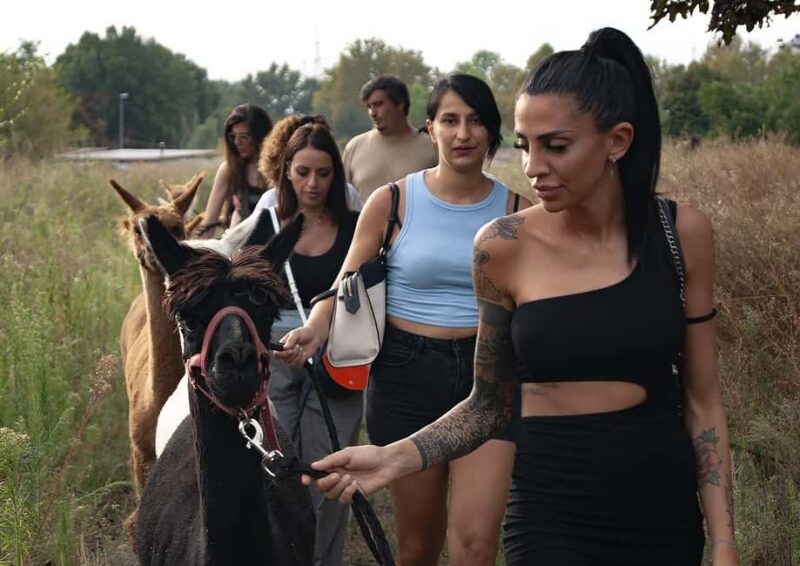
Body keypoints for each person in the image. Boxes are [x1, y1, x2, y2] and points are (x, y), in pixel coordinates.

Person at [297, 28, 739, 566]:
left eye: (555, 146)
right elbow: (489, 404)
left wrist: (722, 542)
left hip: (658, 505)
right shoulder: (502, 247)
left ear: (617, 141)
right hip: (549, 508)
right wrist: (394, 458)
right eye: (526, 147)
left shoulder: (680, 235)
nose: (532, 168)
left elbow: (702, 403)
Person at [279, 75, 531, 566]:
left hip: (490, 379)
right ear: (429, 130)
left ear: (492, 132)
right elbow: (345, 281)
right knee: (418, 547)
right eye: (451, 120)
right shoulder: (392, 202)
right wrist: (316, 326)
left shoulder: (520, 212)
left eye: (476, 121)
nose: (464, 134)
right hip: (405, 376)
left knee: (476, 546)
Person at [253, 114, 363, 566]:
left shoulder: (357, 226)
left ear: (336, 174)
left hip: (338, 363)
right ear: (286, 173)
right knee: (273, 473)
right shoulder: (263, 226)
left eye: (323, 172)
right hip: (274, 363)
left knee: (327, 475)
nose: (313, 183)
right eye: (302, 172)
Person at [342, 75, 438, 200]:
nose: (372, 113)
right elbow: (342, 200)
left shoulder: (432, 147)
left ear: (400, 104)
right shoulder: (354, 147)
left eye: (378, 105)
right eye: (369, 107)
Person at [198, 103, 272, 237]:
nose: (237, 142)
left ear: (260, 137)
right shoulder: (228, 170)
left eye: (244, 136)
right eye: (233, 136)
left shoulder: (278, 170)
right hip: (236, 248)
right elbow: (209, 222)